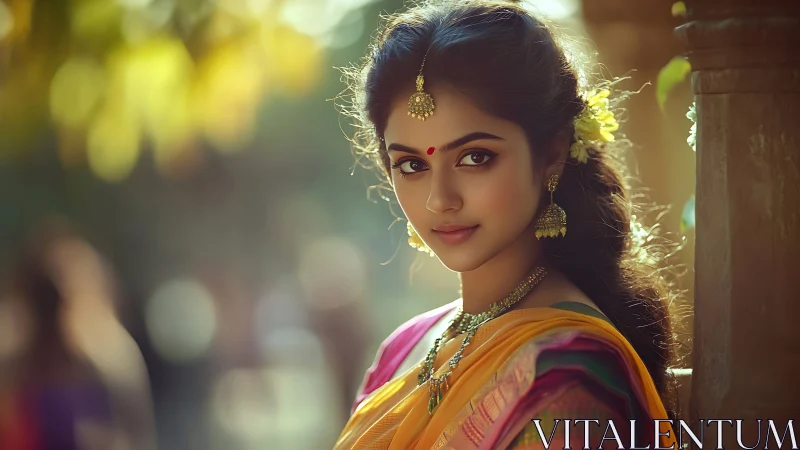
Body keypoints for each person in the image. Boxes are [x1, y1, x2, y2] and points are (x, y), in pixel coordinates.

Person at [333, 0, 682, 448]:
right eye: (411, 165)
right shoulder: (406, 346)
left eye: (475, 158)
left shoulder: (568, 377)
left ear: (553, 153)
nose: (440, 199)